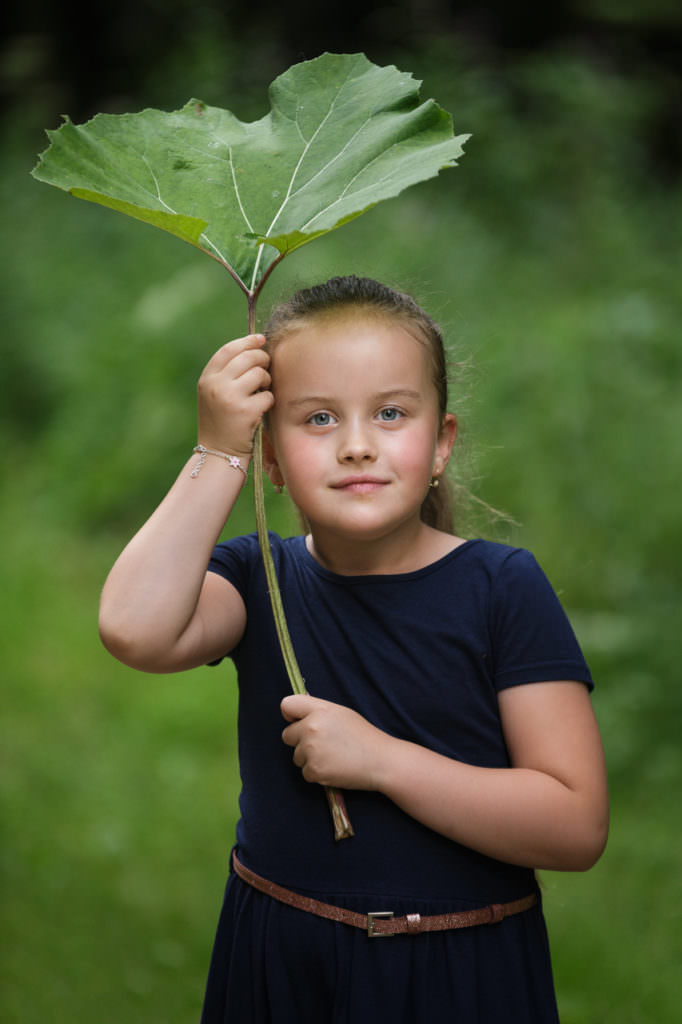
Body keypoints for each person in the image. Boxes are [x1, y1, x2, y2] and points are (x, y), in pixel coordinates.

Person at [99, 275, 609, 1023]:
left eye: (392, 413)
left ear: (441, 444)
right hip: (281, 961)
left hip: (460, 973)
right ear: (270, 458)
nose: (358, 445)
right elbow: (136, 629)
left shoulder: (502, 590)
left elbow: (575, 824)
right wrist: (216, 451)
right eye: (318, 420)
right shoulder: (258, 578)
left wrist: (383, 763)